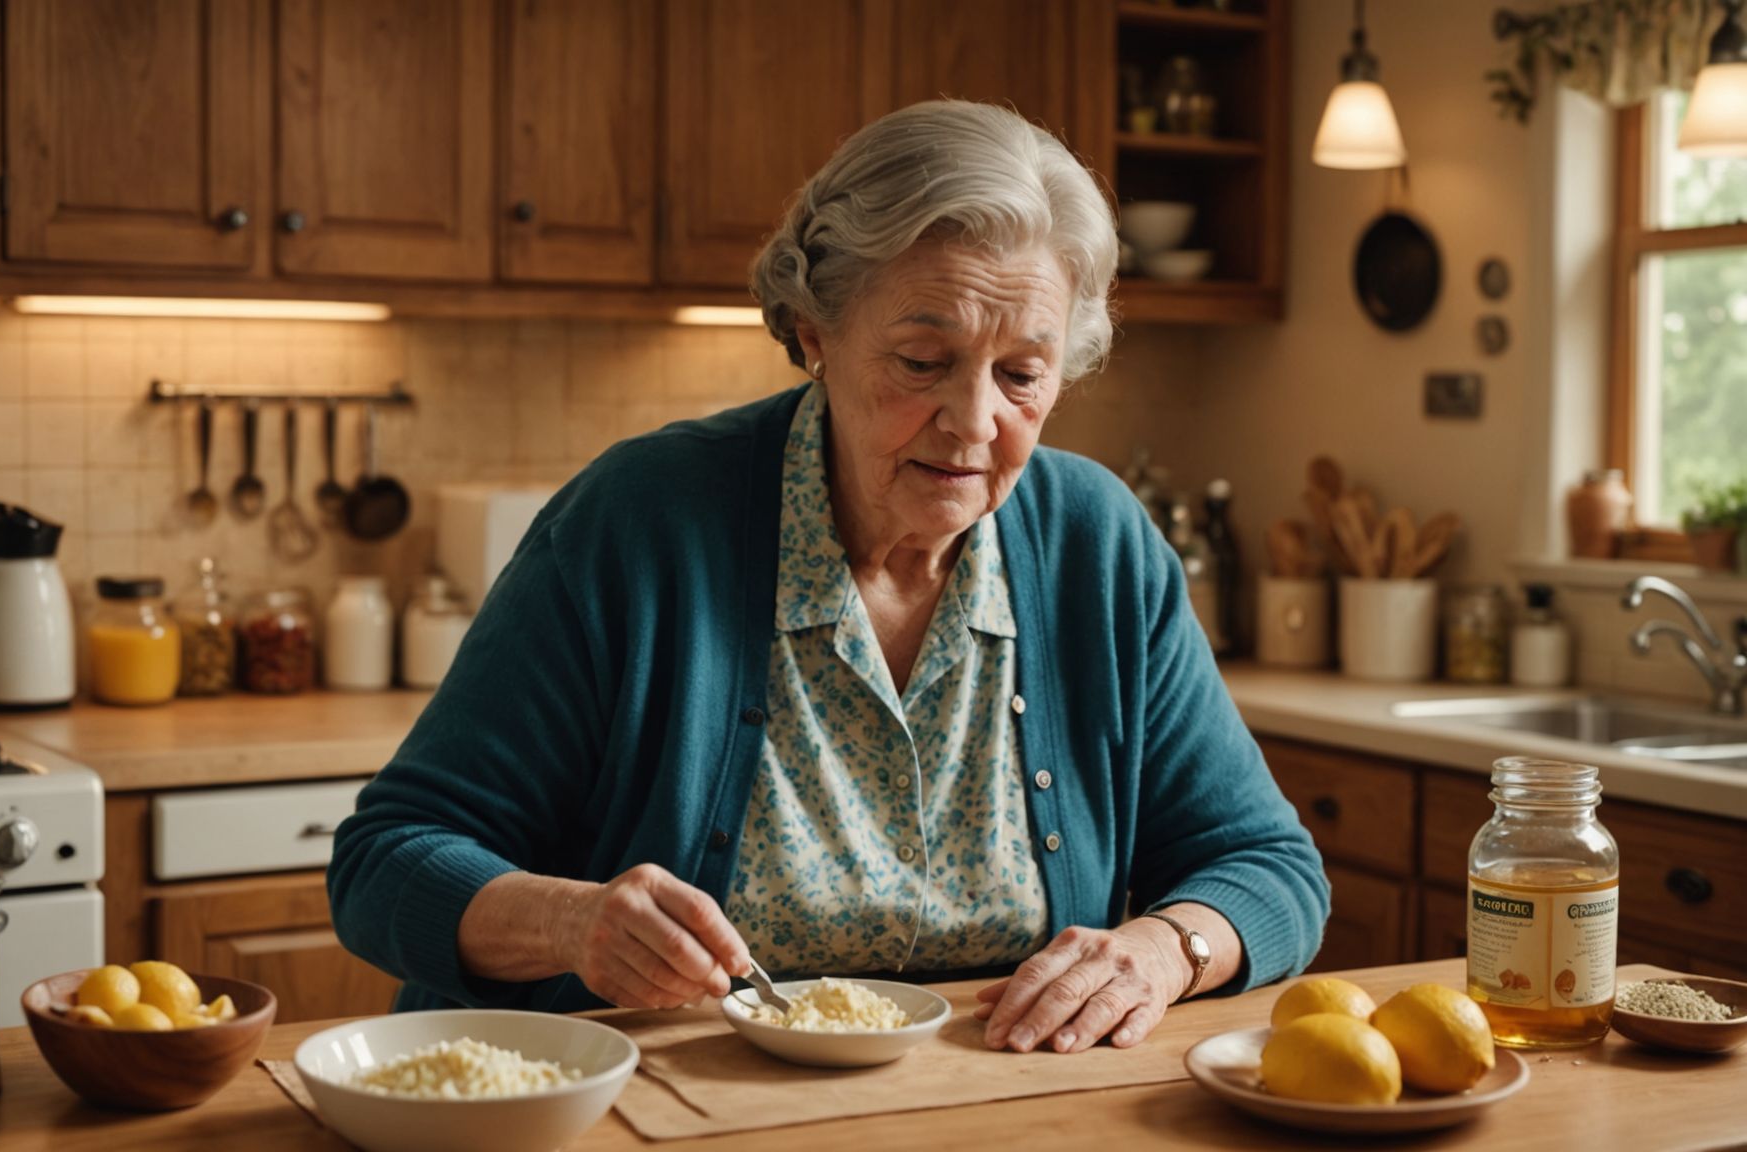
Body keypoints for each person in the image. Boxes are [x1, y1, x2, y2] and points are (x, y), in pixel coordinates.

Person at [330, 100, 1327, 1055]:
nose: (974, 422)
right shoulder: (640, 522)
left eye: (1023, 373)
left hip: (991, 1116)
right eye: (923, 360)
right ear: (815, 331)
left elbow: (1268, 868)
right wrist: (570, 923)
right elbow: (386, 861)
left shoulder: (1097, 543)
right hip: (658, 1110)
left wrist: (1164, 949)